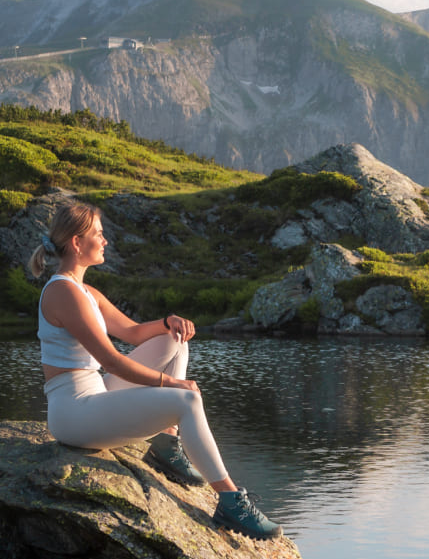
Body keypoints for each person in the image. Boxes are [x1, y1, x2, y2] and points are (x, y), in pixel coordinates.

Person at [28, 203, 282, 540]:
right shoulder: (62, 291)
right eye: (98, 235)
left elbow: (131, 332)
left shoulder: (85, 291)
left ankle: (166, 446)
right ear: (76, 243)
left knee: (174, 341)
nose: (105, 241)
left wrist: (166, 323)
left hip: (95, 394)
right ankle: (231, 501)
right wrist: (172, 384)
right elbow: (114, 361)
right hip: (73, 412)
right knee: (186, 402)